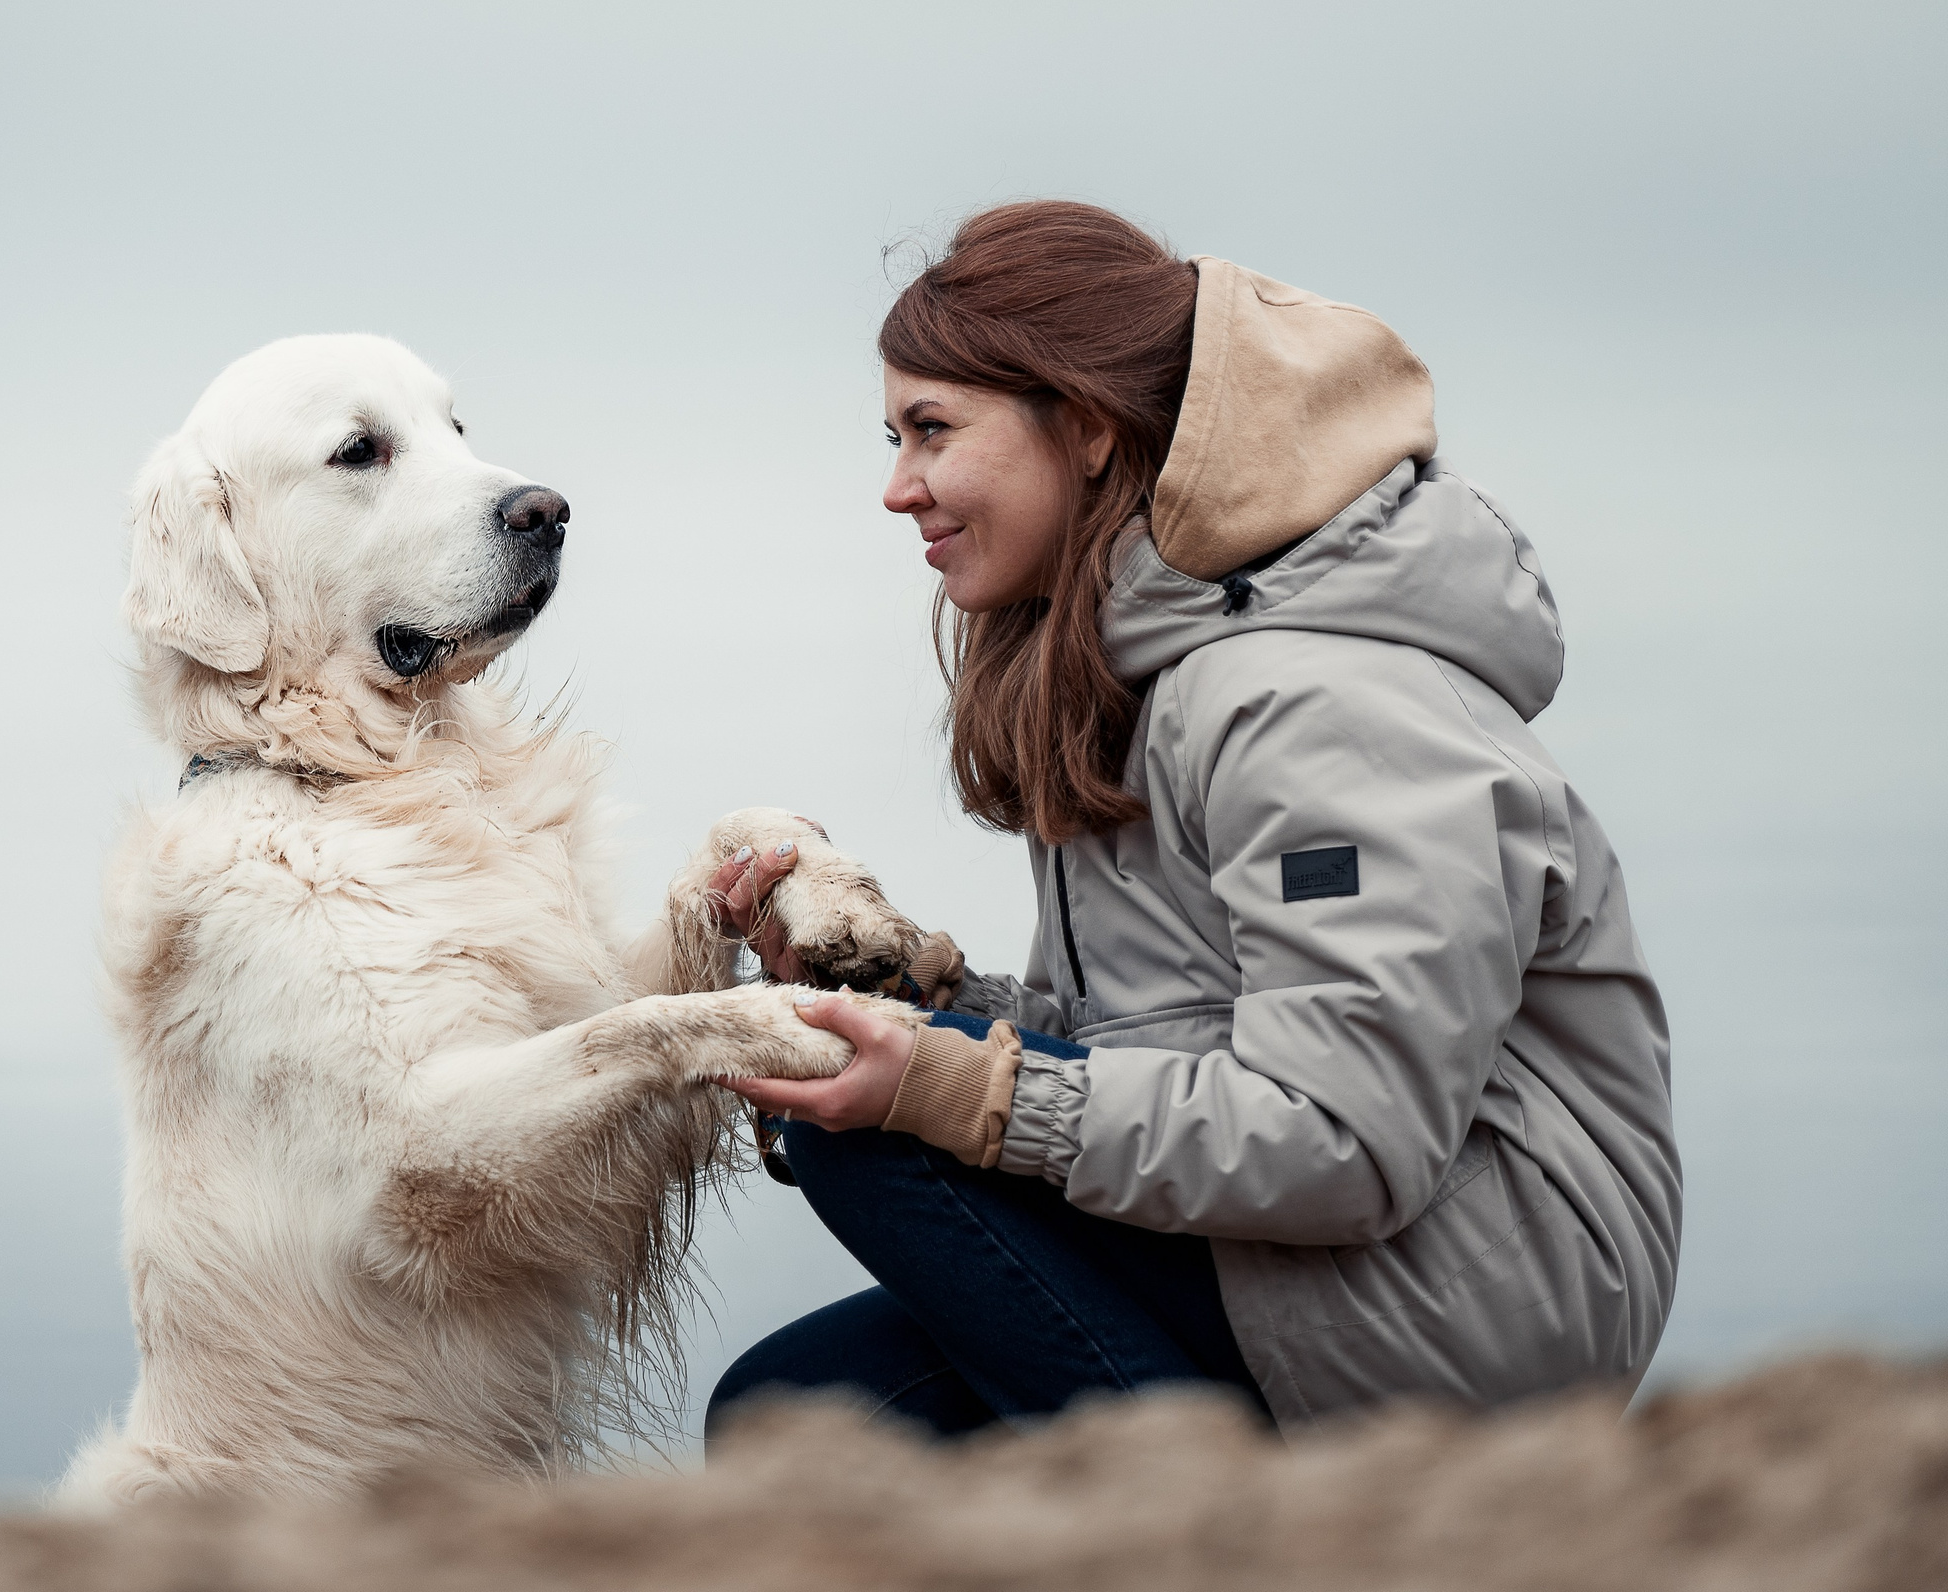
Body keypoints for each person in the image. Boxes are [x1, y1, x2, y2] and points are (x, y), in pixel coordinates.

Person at [702, 201, 1681, 1438]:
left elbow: (1343, 1139)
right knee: (796, 1413)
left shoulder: (1311, 700)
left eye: (932, 432)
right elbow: (1165, 1042)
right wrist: (903, 1000)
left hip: (1467, 1307)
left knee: (876, 1142)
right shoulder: (1137, 669)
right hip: (1306, 1257)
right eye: (894, 436)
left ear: (1093, 431)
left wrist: (951, 1090)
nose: (898, 488)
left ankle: (1252, 1531)